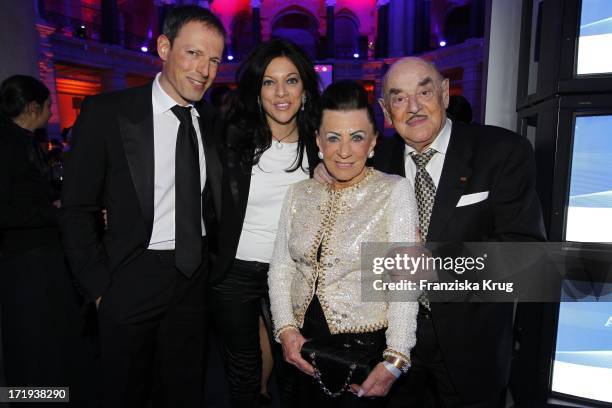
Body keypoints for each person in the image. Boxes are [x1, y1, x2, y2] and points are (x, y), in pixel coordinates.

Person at [60, 6, 225, 407]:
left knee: (185, 390)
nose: (204, 69)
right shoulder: (108, 114)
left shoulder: (215, 121)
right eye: (193, 53)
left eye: (214, 59)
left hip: (193, 279)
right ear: (164, 47)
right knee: (124, 392)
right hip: (131, 276)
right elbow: (76, 210)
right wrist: (100, 290)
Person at [374, 57, 546, 407]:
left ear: (445, 93)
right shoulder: (374, 163)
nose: (414, 107)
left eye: (424, 92)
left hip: (472, 344)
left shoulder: (501, 152)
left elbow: (525, 254)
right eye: (399, 98)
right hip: (393, 347)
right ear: (385, 110)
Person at [268, 80, 419, 407]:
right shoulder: (299, 194)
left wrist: (396, 359)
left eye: (357, 137)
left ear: (374, 142)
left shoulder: (394, 191)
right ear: (319, 142)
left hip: (363, 350)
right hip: (302, 347)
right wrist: (285, 331)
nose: (345, 151)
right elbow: (281, 268)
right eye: (334, 138)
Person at [209, 39, 320, 408]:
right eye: (269, 82)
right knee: (242, 366)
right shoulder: (230, 140)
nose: (281, 92)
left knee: (295, 364)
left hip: (293, 274)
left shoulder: (321, 144)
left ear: (305, 88)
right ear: (257, 92)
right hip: (235, 271)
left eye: (291, 80)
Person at [0, 75, 94, 406]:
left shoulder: (22, 140)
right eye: (48, 105)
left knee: (50, 341)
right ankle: (33, 400)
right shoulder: (8, 144)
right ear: (32, 107)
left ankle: (55, 397)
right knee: (32, 344)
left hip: (40, 257)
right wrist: (56, 212)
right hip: (24, 262)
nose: (52, 111)